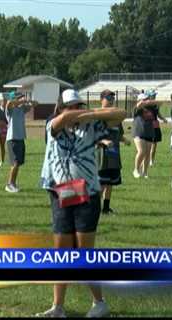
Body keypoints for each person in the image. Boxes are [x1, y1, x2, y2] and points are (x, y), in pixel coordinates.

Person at [37, 89, 126, 318]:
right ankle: (58, 307)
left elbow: (121, 113)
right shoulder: (52, 125)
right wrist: (77, 114)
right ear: (61, 108)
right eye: (72, 105)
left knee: (84, 253)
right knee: (62, 254)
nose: (76, 109)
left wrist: (89, 115)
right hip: (61, 194)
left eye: (79, 105)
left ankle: (99, 303)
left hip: (87, 194)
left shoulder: (90, 126)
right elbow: (63, 120)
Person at [97, 89, 130, 214]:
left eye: (112, 99)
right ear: (101, 100)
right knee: (102, 183)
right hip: (101, 155)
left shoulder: (116, 117)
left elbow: (118, 134)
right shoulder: (97, 116)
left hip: (114, 154)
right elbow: (92, 136)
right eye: (108, 98)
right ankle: (95, 209)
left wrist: (124, 140)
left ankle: (106, 208)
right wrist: (104, 141)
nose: (111, 101)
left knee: (111, 183)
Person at [5, 92, 38, 193]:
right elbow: (9, 103)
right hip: (12, 138)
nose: (21, 100)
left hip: (20, 138)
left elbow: (35, 103)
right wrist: (22, 100)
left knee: (18, 163)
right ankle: (9, 184)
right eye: (18, 98)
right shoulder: (10, 110)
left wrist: (27, 101)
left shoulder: (21, 109)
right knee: (15, 163)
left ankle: (13, 183)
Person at [132, 92, 157, 179]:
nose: (146, 101)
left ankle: (145, 172)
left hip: (149, 133)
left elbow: (158, 103)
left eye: (146, 99)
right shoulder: (137, 109)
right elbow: (138, 106)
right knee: (141, 151)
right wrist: (141, 103)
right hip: (139, 133)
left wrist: (148, 102)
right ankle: (136, 170)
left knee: (147, 154)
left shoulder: (151, 108)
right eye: (143, 99)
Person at [145, 90, 168, 167]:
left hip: (156, 126)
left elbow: (158, 114)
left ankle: (151, 161)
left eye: (155, 95)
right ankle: (146, 159)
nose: (154, 96)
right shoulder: (145, 105)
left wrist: (163, 119)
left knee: (154, 144)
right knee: (147, 145)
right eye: (153, 95)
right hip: (148, 127)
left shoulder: (156, 105)